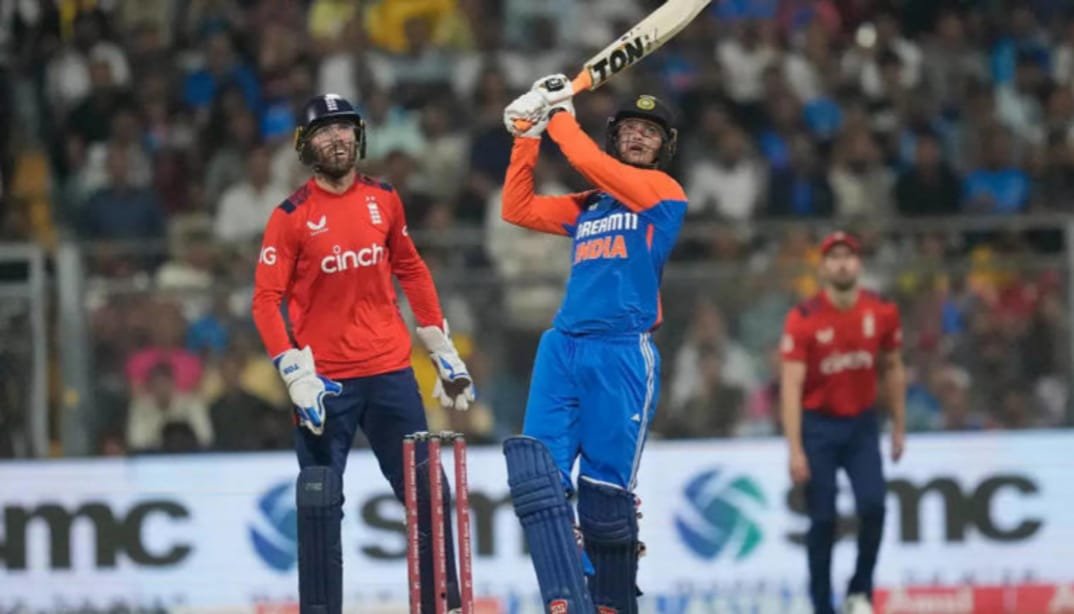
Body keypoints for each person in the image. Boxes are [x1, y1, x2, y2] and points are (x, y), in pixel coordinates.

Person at [252, 93, 475, 614]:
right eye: (325, 131)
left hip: (391, 372)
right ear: (306, 146)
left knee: (428, 497)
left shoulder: (385, 199)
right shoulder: (290, 217)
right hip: (324, 385)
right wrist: (292, 370)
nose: (337, 138)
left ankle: (444, 605)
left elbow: (412, 269)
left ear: (359, 135)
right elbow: (265, 300)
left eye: (345, 128)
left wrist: (440, 345)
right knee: (320, 501)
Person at [499, 76, 688, 613]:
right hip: (562, 347)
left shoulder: (664, 198)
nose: (637, 137)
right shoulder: (590, 205)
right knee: (539, 479)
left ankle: (610, 601)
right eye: (629, 128)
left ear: (665, 148)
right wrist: (527, 136)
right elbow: (517, 208)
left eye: (650, 133)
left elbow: (589, 161)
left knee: (605, 496)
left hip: (622, 352)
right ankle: (566, 596)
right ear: (614, 135)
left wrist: (557, 114)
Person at [779, 231, 907, 614]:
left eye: (847, 256)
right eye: (833, 257)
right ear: (823, 268)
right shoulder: (803, 319)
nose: (841, 264)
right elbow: (790, 386)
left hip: (862, 426)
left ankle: (860, 591)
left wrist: (899, 426)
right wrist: (795, 448)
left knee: (875, 507)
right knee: (823, 520)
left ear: (859, 264)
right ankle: (822, 605)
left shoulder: (881, 311)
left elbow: (894, 369)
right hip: (818, 427)